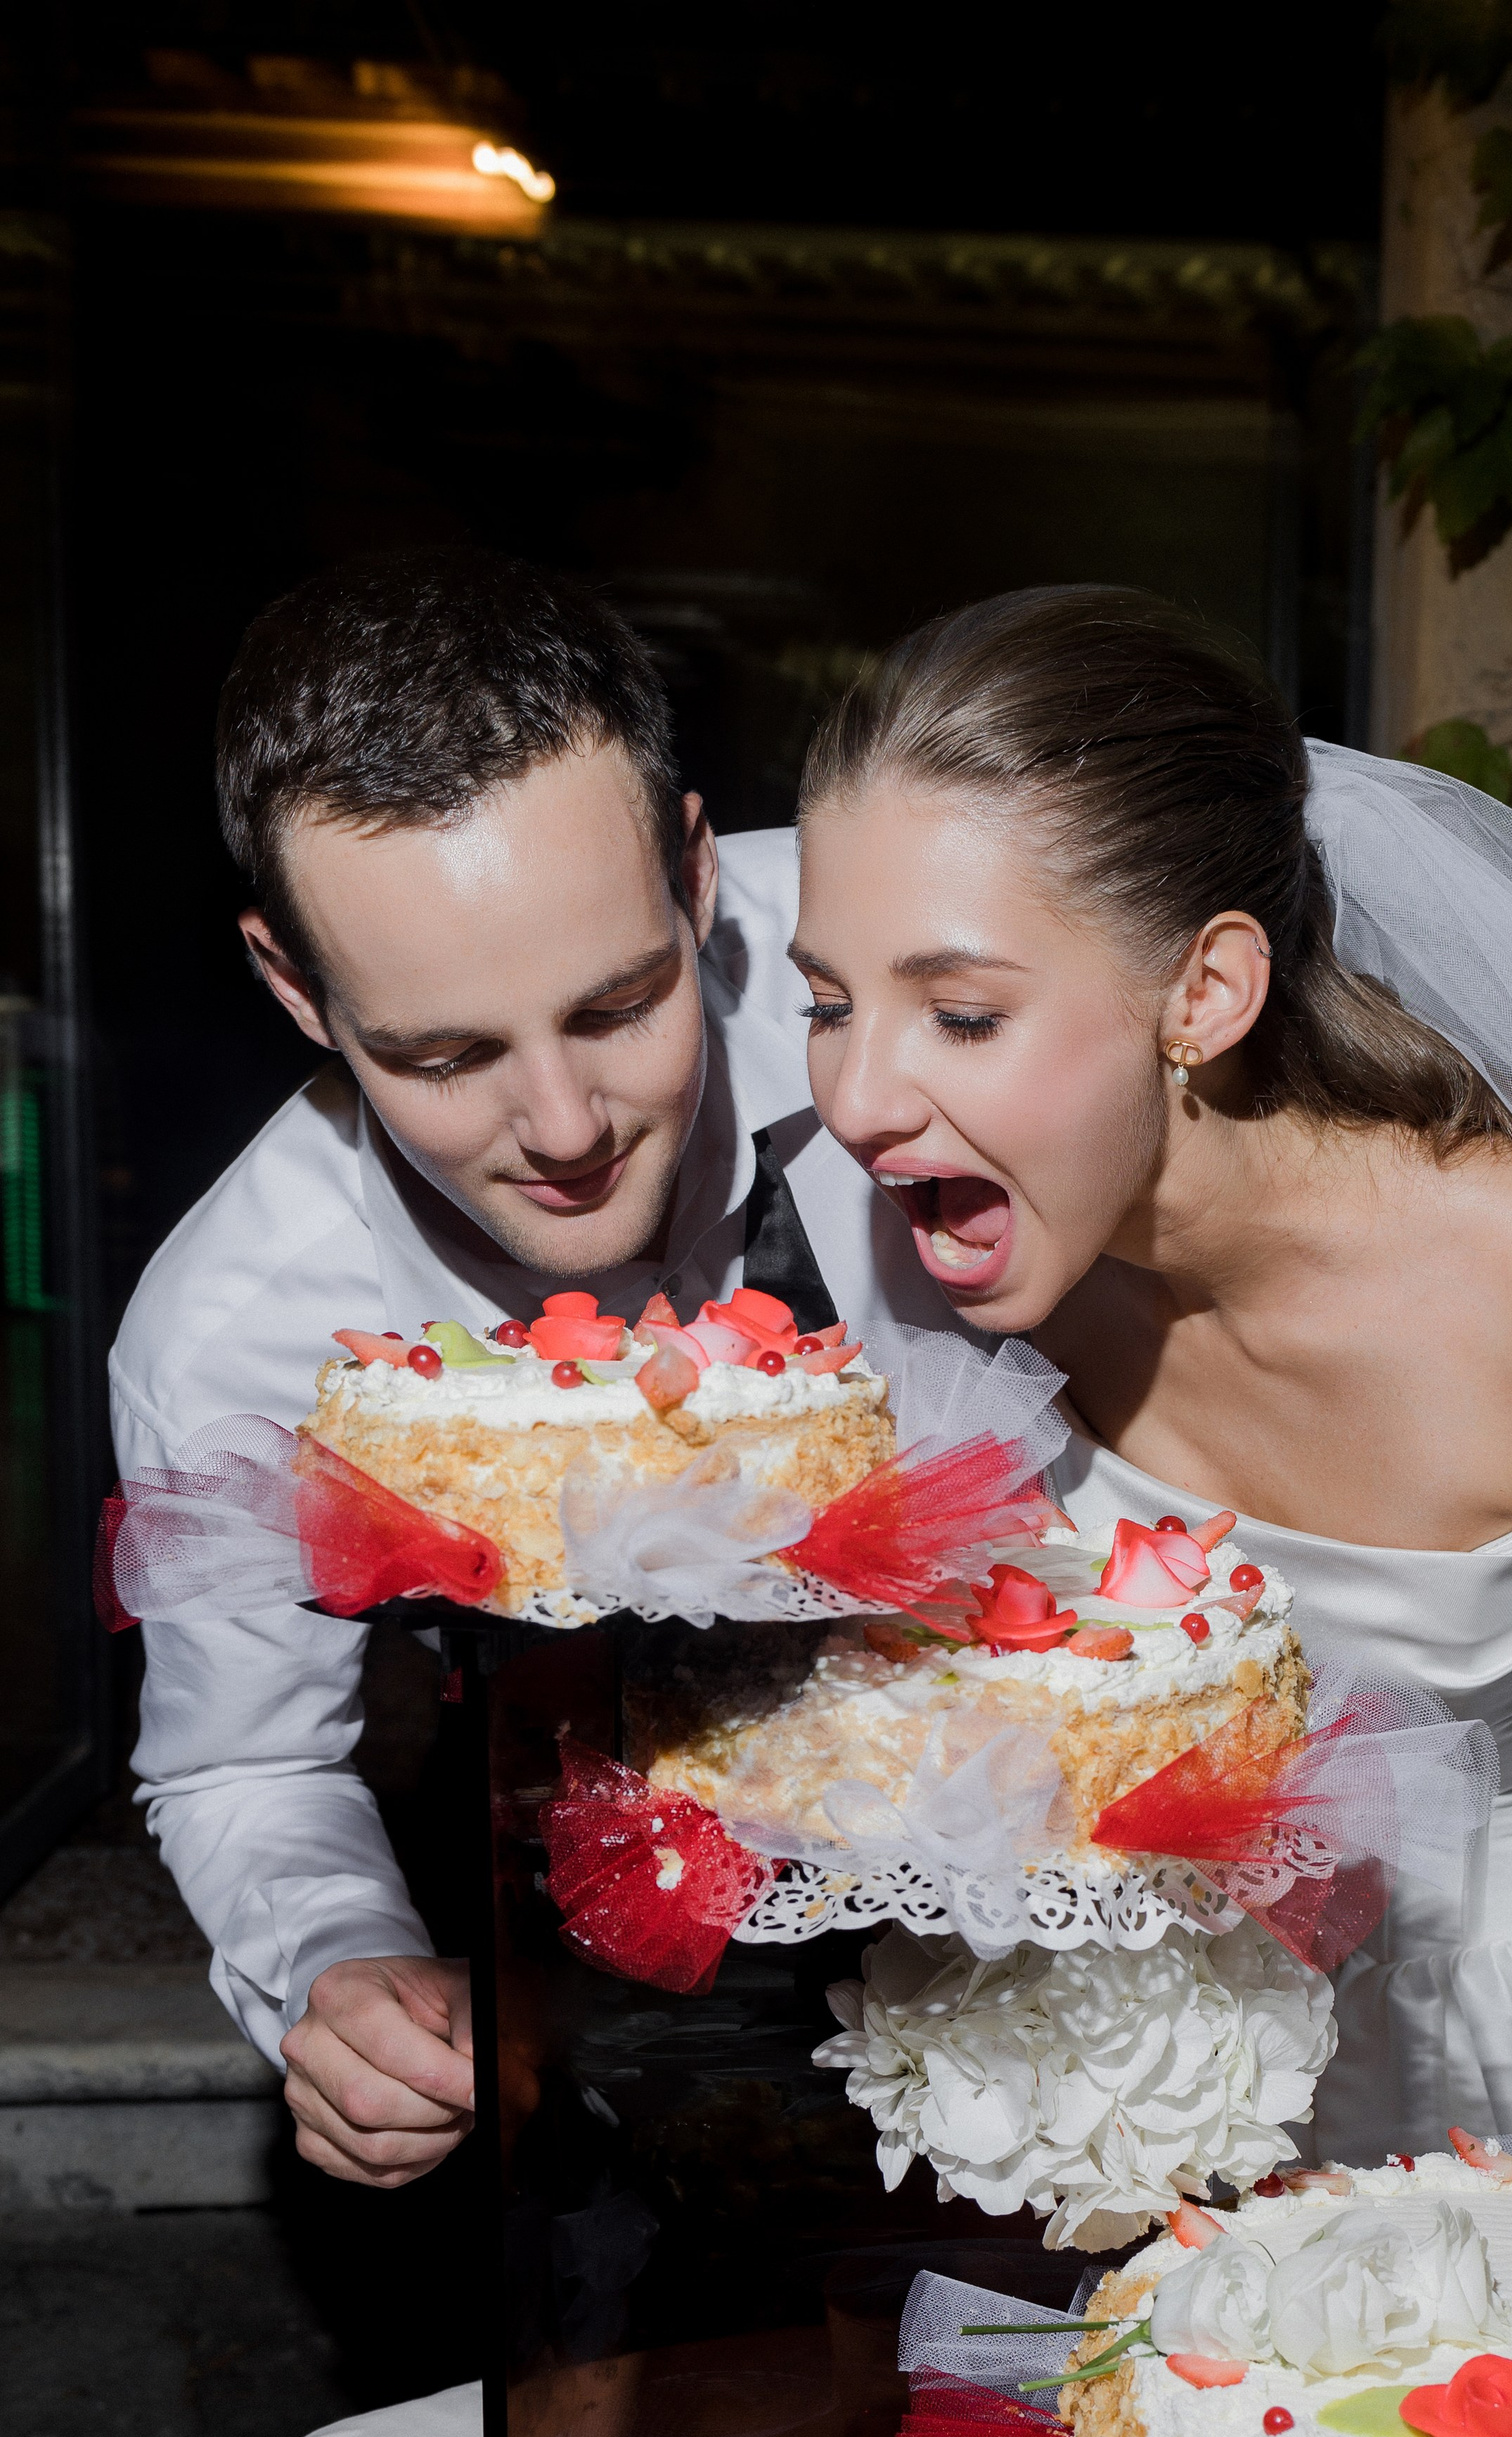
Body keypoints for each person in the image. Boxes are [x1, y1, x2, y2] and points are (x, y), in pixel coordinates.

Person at [785, 583, 1512, 2233]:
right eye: (828, 1003)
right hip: (1222, 2092)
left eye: (961, 1015)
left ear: (1205, 995)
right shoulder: (953, 1259)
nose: (857, 1098)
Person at [109, 549, 945, 2190]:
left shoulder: (917, 974)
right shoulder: (235, 1332)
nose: (565, 1129)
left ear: (697, 876)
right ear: (295, 987)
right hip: (581, 1977)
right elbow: (245, 1762)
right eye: (445, 1055)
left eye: (622, 1006)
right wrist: (340, 1961)